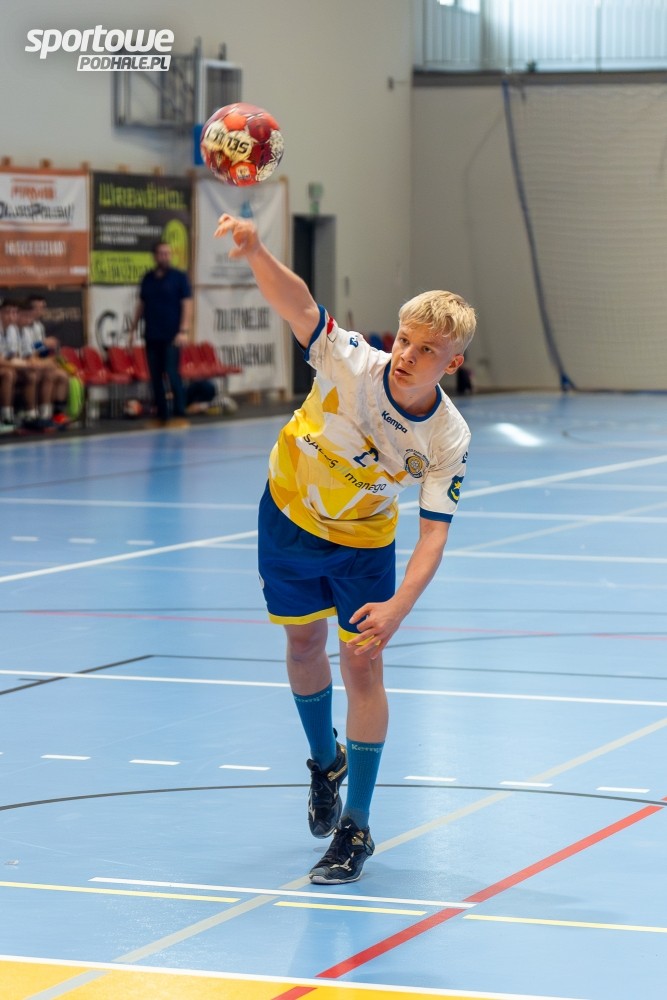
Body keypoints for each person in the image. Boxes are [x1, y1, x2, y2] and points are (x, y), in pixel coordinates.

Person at [214, 213, 476, 884]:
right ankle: (323, 762)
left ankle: (355, 826)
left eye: (427, 350)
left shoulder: (446, 437)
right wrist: (256, 249)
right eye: (406, 339)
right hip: (287, 517)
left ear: (452, 363)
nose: (408, 355)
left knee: (362, 665)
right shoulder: (351, 359)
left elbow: (434, 532)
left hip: (362, 544)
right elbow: (300, 306)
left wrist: (398, 607)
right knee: (303, 645)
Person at [130, 241, 193, 428]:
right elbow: (141, 305)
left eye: (167, 253)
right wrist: (132, 329)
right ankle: (162, 415)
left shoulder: (179, 277)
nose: (165, 256)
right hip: (152, 334)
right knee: (155, 376)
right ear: (155, 256)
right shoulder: (148, 278)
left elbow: (187, 304)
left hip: (172, 335)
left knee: (171, 373)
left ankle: (179, 413)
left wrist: (183, 330)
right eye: (161, 253)